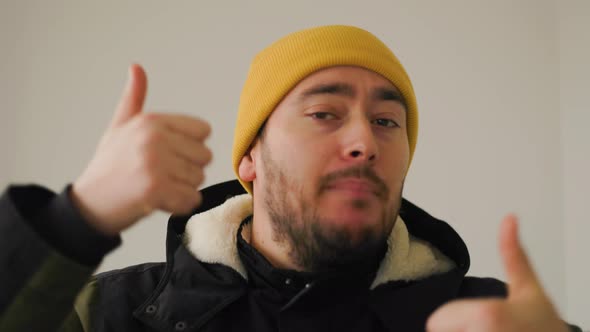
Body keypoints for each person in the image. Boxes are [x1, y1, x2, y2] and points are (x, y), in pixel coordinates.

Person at [0, 25, 581, 332]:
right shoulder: (110, 314)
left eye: (386, 122)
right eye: (325, 113)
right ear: (249, 159)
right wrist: (75, 218)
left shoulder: (492, 323)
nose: (363, 142)